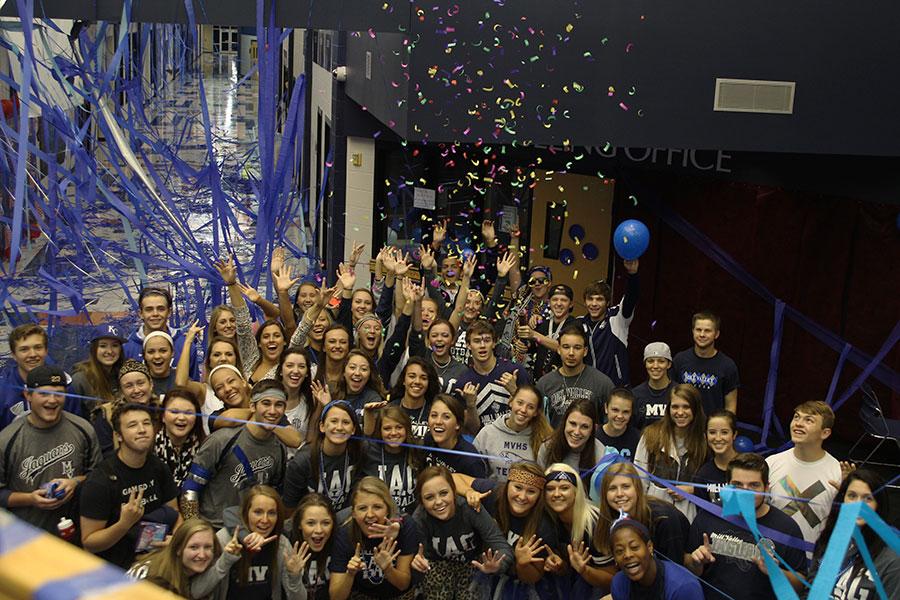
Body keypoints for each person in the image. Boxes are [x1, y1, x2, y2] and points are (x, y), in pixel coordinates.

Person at [686, 453, 807, 599]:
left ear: (766, 488)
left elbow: (800, 586)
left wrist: (777, 573)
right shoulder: (710, 514)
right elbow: (687, 565)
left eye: (754, 485)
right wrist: (696, 562)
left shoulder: (787, 528)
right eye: (737, 485)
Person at [0, 365, 101, 534]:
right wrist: (30, 499)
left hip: (75, 533)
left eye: (59, 394)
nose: (52, 400)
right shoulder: (7, 439)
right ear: (28, 395)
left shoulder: (83, 428)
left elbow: (98, 475)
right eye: (44, 394)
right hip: (27, 537)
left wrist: (74, 482)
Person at [80, 402, 181, 568]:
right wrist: (124, 524)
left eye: (146, 423)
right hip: (116, 568)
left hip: (157, 558)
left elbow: (175, 512)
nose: (142, 430)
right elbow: (90, 542)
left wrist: (176, 539)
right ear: (118, 435)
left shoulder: (157, 466)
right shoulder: (100, 481)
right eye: (132, 425)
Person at [181, 383, 289, 528]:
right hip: (215, 528)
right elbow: (190, 490)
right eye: (266, 403)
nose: (272, 411)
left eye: (279, 405)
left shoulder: (280, 449)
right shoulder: (221, 440)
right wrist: (194, 528)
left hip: (253, 531)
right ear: (252, 406)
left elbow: (275, 495)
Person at [451, 462, 565, 598]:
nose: (522, 497)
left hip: (518, 585)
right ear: (507, 486)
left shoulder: (543, 527)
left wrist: (522, 564)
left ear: (539, 496)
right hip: (480, 569)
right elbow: (453, 477)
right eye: (517, 487)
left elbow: (534, 577)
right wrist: (469, 492)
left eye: (531, 491)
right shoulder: (492, 493)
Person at [411, 465, 513, 600]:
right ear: (422, 502)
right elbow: (413, 557)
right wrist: (416, 563)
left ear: (454, 492)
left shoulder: (470, 509)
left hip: (472, 564)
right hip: (436, 565)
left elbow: (502, 547)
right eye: (429, 497)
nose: (438, 502)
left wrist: (497, 565)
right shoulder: (420, 517)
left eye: (443, 493)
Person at [194, 485, 308, 600]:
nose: (265, 520)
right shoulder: (225, 539)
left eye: (272, 513)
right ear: (245, 513)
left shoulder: (281, 544)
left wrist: (294, 577)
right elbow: (196, 591)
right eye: (258, 512)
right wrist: (225, 561)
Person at [805, 469, 899, 600]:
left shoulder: (892, 559)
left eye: (867, 498)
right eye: (852, 496)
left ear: (879, 505)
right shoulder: (829, 540)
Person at [765, 400, 841, 548]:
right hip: (770, 557)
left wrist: (847, 493)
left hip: (813, 562)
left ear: (825, 433)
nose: (798, 423)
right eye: (796, 417)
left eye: (809, 420)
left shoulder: (837, 472)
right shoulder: (771, 463)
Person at [329, 477, 418, 600]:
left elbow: (403, 585)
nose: (370, 514)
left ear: (387, 509)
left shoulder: (406, 526)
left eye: (377, 507)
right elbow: (336, 597)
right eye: (362, 508)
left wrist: (388, 569)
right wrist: (350, 574)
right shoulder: (344, 534)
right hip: (362, 595)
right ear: (353, 513)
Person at [595, 461, 690, 567]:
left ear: (637, 488)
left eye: (626, 486)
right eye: (612, 488)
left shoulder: (664, 519)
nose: (619, 494)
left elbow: (674, 570)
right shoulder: (611, 518)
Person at [634, 384, 707, 521]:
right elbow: (639, 479)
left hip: (688, 519)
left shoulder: (704, 442)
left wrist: (692, 491)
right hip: (653, 514)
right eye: (675, 407)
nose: (680, 412)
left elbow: (712, 486)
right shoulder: (651, 435)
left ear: (695, 409)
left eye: (686, 407)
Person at [283, 400, 365, 512]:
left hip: (346, 521)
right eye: (334, 421)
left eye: (346, 422)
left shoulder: (357, 453)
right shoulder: (302, 461)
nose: (339, 427)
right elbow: (290, 507)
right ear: (322, 426)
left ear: (353, 430)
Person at [543, 463, 614, 594]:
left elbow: (612, 581)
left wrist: (585, 570)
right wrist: (559, 566)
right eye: (550, 488)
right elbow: (568, 569)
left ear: (576, 492)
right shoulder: (549, 520)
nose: (557, 494)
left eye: (564, 488)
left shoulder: (595, 523)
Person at [0, 323, 82, 428]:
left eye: (38, 347)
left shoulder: (64, 384)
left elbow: (76, 429)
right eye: (24, 349)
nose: (33, 354)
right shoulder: (3, 390)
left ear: (46, 351)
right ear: (13, 355)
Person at [457, 320, 530, 433]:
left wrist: (515, 392)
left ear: (494, 343)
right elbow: (472, 430)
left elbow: (534, 414)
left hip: (517, 440)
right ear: (468, 345)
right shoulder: (464, 382)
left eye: (487, 340)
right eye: (476, 341)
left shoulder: (514, 371)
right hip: (484, 444)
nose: (482, 346)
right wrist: (471, 405)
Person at [536, 324, 614, 428]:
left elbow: (611, 426)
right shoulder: (544, 384)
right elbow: (536, 424)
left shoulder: (603, 384)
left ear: (585, 351)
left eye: (577, 348)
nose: (571, 353)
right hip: (553, 443)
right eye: (566, 347)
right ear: (559, 349)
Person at [576, 260, 639, 386]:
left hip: (615, 390)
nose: (594, 304)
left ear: (608, 302)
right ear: (584, 301)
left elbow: (631, 297)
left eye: (599, 299)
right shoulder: (579, 322)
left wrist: (633, 274)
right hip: (588, 389)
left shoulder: (617, 317)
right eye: (590, 299)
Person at [609, 516, 703, 600]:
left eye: (634, 547)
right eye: (619, 551)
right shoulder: (619, 584)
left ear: (649, 547)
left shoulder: (683, 586)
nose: (628, 555)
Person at [473, 385, 552, 480]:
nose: (523, 410)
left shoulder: (544, 438)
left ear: (536, 412)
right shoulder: (487, 433)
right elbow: (474, 473)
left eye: (530, 407)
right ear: (511, 402)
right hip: (493, 492)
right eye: (520, 403)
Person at [126, 517, 221, 596]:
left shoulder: (167, 559)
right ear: (178, 549)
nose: (202, 555)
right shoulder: (158, 581)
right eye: (194, 547)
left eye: (208, 547)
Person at [672, 312, 739, 417]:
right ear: (693, 331)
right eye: (698, 330)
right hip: (683, 425)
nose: (702, 334)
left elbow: (730, 406)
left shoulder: (727, 366)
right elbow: (670, 395)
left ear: (716, 334)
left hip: (711, 429)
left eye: (707, 331)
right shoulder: (679, 360)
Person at [123, 287, 198, 380]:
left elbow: (195, 385)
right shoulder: (127, 348)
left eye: (161, 309)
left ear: (169, 312)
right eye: (149, 309)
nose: (155, 314)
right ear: (141, 313)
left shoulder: (184, 345)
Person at [92, 359, 160, 457]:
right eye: (129, 386)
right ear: (122, 391)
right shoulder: (107, 414)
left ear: (151, 384)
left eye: (141, 383)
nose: (136, 390)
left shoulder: (163, 410)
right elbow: (105, 456)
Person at [362, 406, 422, 514]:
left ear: (407, 429)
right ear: (380, 430)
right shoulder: (369, 451)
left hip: (411, 520)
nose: (393, 433)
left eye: (399, 427)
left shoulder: (417, 451)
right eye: (387, 428)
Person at [516, 283, 578, 380]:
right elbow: (531, 348)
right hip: (540, 381)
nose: (558, 303)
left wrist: (534, 335)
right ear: (549, 302)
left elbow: (564, 348)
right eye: (555, 299)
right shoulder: (542, 323)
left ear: (571, 304)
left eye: (564, 300)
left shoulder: (575, 325)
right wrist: (522, 345)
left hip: (563, 382)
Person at [537, 399, 606, 484]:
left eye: (584, 427)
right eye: (573, 424)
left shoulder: (600, 454)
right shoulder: (547, 447)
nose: (577, 432)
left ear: (593, 429)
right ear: (565, 422)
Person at [423, 394, 488, 478]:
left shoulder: (470, 461)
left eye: (446, 417)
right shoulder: (429, 439)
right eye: (434, 415)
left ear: (457, 424)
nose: (438, 421)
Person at [154, 386, 205, 488]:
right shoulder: (148, 447)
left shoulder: (206, 447)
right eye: (174, 412)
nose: (181, 418)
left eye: (188, 413)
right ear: (163, 417)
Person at [289, 493, 336, 599]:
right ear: (299, 524)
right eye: (311, 523)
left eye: (326, 523)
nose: (319, 530)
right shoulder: (286, 544)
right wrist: (293, 576)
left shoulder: (339, 543)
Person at [70, 324, 126, 413]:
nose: (110, 351)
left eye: (115, 345)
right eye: (103, 346)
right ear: (94, 349)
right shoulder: (80, 380)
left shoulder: (124, 376)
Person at [409, 317, 467, 394]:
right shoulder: (422, 359)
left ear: (453, 340)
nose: (439, 339)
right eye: (434, 335)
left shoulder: (461, 370)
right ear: (428, 340)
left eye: (445, 335)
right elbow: (416, 332)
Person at [387, 357, 441, 439]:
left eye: (423, 378)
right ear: (403, 380)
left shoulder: (435, 412)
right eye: (412, 376)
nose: (417, 382)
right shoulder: (389, 409)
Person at [693, 410, 738, 504]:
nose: (718, 438)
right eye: (712, 432)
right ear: (706, 436)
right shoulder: (703, 475)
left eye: (724, 432)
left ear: (734, 435)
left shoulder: (750, 468)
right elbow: (702, 513)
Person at [631, 342, 675, 429]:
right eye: (650, 361)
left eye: (661, 361)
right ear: (645, 364)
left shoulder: (679, 393)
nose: (655, 366)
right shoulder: (635, 395)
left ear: (669, 364)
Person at [279, 346, 317, 443]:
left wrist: (321, 406)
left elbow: (310, 441)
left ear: (307, 373)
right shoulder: (268, 399)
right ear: (280, 371)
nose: (296, 371)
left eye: (301, 366)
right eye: (290, 365)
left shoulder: (311, 400)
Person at [596, 388, 642, 459]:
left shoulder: (638, 439)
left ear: (631, 412)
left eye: (626, 412)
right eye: (615, 410)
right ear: (606, 408)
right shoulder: (594, 437)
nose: (620, 416)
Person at [143, 331, 177, 396]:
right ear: (144, 355)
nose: (157, 356)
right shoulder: (138, 382)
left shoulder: (181, 380)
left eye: (163, 351)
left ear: (172, 353)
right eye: (151, 352)